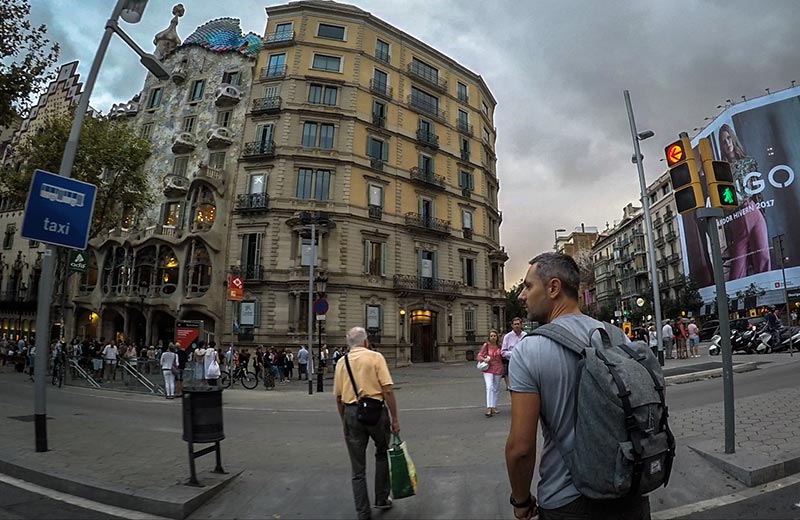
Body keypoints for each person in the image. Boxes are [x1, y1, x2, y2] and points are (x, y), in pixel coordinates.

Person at [505, 252, 650, 520]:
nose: (521, 296)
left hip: (567, 502)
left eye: (528, 286)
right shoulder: (618, 338)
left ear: (553, 288)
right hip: (628, 490)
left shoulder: (528, 350)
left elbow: (520, 449)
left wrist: (521, 500)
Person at [334, 326, 399, 520]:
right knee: (382, 453)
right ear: (365, 341)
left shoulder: (341, 362)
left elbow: (338, 398)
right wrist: (395, 419)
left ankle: (363, 512)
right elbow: (387, 390)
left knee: (357, 469)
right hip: (376, 411)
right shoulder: (375, 357)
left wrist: (344, 421)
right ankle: (382, 498)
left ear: (349, 344)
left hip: (351, 412)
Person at [717, 123, 770, 281]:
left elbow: (758, 189)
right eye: (723, 141)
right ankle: (737, 291)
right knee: (739, 263)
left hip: (753, 209)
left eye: (729, 138)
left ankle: (767, 285)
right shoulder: (721, 171)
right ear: (720, 145)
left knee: (763, 255)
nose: (727, 143)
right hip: (737, 215)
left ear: (733, 138)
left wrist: (761, 210)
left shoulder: (749, 161)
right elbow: (725, 199)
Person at [479, 330, 504, 417]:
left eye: (494, 336)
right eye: (491, 336)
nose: (493, 337)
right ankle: (489, 408)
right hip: (488, 368)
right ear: (489, 337)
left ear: (497, 337)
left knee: (496, 388)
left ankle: (494, 406)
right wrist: (484, 359)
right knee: (489, 387)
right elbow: (479, 355)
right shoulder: (486, 345)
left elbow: (503, 355)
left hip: (498, 368)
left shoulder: (500, 346)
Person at [501, 318, 526, 391]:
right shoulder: (507, 336)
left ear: (521, 325)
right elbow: (503, 352)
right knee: (514, 383)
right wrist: (514, 353)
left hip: (523, 362)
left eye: (518, 324)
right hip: (511, 362)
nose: (517, 326)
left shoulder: (525, 335)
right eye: (515, 324)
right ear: (512, 325)